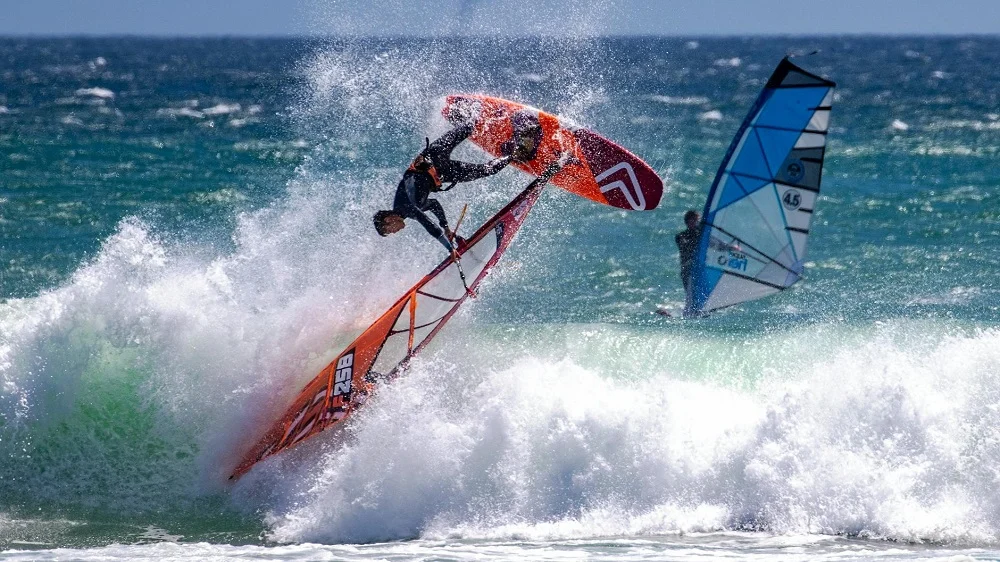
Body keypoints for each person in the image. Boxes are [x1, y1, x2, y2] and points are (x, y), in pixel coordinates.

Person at [373, 111, 537, 256]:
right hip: (442, 170)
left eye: (390, 230)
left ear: (388, 219)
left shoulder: (404, 207)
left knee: (471, 139)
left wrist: (449, 248)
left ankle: (506, 133)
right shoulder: (407, 209)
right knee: (485, 164)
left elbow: (428, 225)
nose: (394, 232)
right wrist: (446, 227)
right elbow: (434, 204)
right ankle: (514, 148)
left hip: (433, 158)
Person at [675, 209, 702, 314]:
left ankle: (699, 312)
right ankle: (688, 314)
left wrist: (729, 247)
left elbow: (714, 244)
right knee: (690, 295)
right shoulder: (681, 236)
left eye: (697, 221)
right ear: (687, 222)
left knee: (700, 294)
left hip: (699, 269)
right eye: (693, 221)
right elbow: (686, 245)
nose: (695, 223)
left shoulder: (701, 235)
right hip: (688, 270)